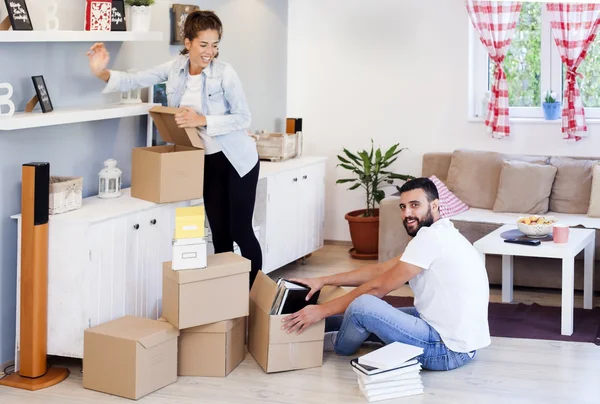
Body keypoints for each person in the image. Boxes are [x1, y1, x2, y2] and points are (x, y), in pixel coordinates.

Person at [86, 11, 263, 287]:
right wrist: (102, 72)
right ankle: (229, 296)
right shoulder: (174, 69)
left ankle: (254, 296)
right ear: (188, 41)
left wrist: (200, 119)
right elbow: (136, 79)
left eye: (215, 45)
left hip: (238, 160)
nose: (210, 52)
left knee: (240, 229)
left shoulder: (224, 73)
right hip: (207, 161)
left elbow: (243, 118)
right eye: (204, 44)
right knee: (219, 233)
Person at [281, 177, 491, 371]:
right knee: (358, 313)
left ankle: (338, 345)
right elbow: (381, 270)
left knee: (363, 306)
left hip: (445, 350)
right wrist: (323, 280)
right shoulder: (440, 233)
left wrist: (321, 310)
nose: (407, 213)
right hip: (458, 341)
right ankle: (309, 330)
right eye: (403, 206)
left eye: (415, 205)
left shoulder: (430, 239)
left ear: (434, 205)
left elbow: (377, 287)